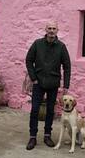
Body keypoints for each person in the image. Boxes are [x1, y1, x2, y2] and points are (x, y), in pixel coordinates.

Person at [25, 21, 71, 150]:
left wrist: (66, 85)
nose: (51, 31)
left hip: (53, 83)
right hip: (38, 83)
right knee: (34, 110)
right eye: (49, 28)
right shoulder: (37, 44)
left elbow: (67, 66)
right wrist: (33, 78)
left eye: (54, 28)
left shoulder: (61, 47)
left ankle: (47, 135)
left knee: (50, 111)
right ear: (45, 30)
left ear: (57, 30)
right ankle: (32, 137)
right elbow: (28, 60)